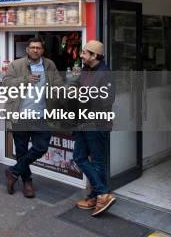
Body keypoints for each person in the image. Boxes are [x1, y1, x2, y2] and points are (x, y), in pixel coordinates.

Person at [2, 37, 64, 198]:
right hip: (21, 114)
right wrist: (25, 80)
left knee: (41, 147)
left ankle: (13, 172)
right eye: (33, 47)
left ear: (43, 50)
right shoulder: (16, 64)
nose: (36, 50)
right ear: (27, 50)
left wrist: (62, 90)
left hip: (41, 114)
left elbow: (57, 82)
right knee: (22, 150)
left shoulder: (49, 64)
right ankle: (27, 182)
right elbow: (6, 82)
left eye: (39, 48)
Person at [72, 40, 116, 216]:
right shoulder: (87, 70)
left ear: (94, 56)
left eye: (84, 53)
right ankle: (100, 193)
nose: (81, 55)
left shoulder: (105, 74)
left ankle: (97, 195)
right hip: (83, 122)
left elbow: (107, 100)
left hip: (97, 124)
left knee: (98, 162)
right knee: (79, 157)